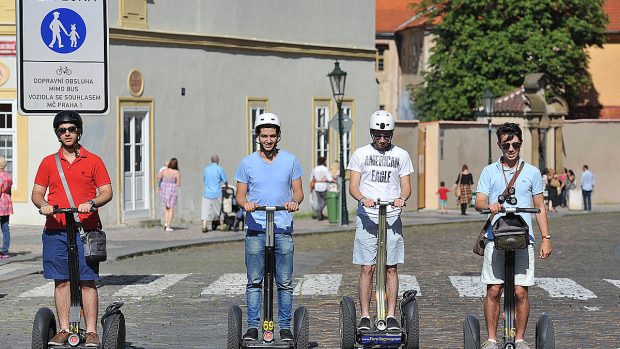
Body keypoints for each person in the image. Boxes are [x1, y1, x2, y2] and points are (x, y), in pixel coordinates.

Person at [31, 111, 113, 347]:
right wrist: (44, 205)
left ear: (79, 131)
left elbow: (106, 191)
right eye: (62, 130)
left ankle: (91, 332)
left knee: (87, 281)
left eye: (71, 129)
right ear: (57, 133)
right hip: (56, 230)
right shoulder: (48, 162)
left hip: (85, 231)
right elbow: (37, 193)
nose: (67, 133)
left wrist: (93, 202)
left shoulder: (94, 160)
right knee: (62, 281)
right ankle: (64, 329)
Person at [475, 122, 552, 349]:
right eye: (506, 144)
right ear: (499, 144)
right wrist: (490, 205)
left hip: (523, 237)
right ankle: (490, 339)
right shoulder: (489, 172)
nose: (511, 148)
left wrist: (546, 238)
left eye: (515, 144)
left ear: (521, 144)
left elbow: (540, 206)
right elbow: (478, 200)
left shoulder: (532, 172)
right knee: (494, 289)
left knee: (520, 291)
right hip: (496, 237)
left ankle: (519, 339)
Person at [234, 112, 304, 342]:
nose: (268, 140)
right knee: (255, 281)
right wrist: (247, 204)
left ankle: (284, 327)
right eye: (264, 136)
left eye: (272, 136)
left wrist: (295, 202)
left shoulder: (291, 160)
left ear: (278, 137)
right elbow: (240, 196)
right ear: (257, 136)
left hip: (282, 228)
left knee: (284, 282)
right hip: (256, 229)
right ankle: (253, 327)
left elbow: (299, 191)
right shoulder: (247, 163)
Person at [347, 110, 413, 332]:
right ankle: (366, 316)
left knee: (391, 268)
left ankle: (391, 315)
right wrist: (362, 198)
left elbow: (406, 186)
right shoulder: (360, 154)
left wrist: (401, 198)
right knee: (368, 267)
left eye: (386, 136)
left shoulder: (401, 155)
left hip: (392, 217)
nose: (382, 140)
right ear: (371, 133)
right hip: (368, 218)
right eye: (378, 135)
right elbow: (353, 185)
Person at [202, 155, 227, 232]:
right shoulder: (220, 169)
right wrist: (226, 186)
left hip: (207, 193)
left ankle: (204, 225)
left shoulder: (206, 169)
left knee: (205, 210)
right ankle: (222, 225)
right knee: (219, 210)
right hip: (217, 193)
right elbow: (225, 180)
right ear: (217, 160)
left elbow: (204, 180)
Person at [157, 158, 180, 231]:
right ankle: (168, 226)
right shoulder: (176, 172)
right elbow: (178, 183)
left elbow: (158, 178)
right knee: (171, 208)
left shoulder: (164, 171)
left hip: (164, 190)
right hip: (172, 190)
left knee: (167, 207)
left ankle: (166, 223)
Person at [310, 156, 333, 220]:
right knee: (326, 201)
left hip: (317, 186)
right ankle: (319, 210)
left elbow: (312, 178)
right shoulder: (325, 169)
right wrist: (334, 181)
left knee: (319, 201)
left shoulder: (315, 169)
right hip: (323, 186)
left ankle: (320, 215)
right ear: (323, 162)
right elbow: (329, 178)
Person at [0, 156, 13, 259]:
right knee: (5, 228)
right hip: (7, 202)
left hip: (0, 203)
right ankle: (5, 251)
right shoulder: (8, 175)